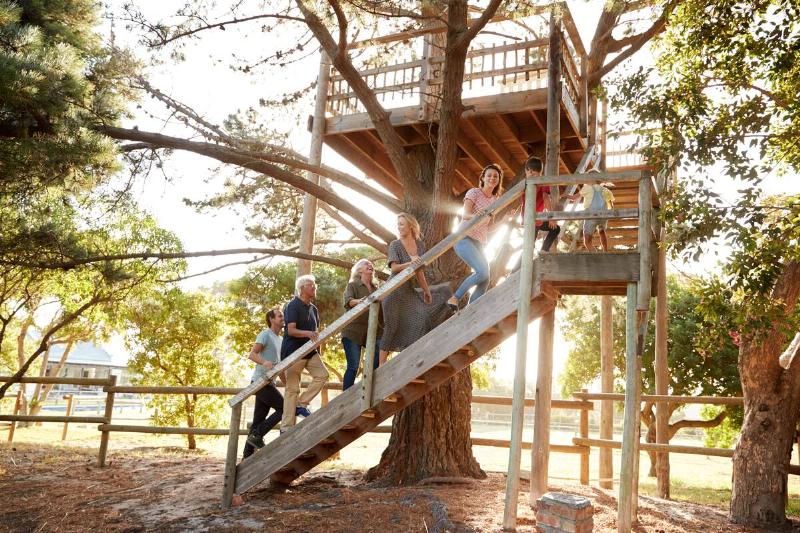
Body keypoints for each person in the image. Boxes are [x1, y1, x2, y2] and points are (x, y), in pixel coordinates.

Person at [379, 213, 451, 365]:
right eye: (398, 224)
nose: (399, 227)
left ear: (411, 226)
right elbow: (394, 268)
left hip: (408, 291)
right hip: (393, 291)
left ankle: (413, 360)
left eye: (402, 224)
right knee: (391, 328)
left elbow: (419, 271)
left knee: (423, 317)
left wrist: (426, 291)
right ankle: (381, 368)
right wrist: (410, 262)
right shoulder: (395, 245)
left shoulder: (420, 245)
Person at [447, 164, 503, 311]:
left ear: (498, 180)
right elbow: (465, 214)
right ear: (483, 178)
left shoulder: (494, 201)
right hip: (464, 238)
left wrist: (505, 221)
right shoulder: (474, 192)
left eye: (495, 176)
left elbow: (488, 228)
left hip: (479, 243)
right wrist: (477, 216)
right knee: (483, 272)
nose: (492, 178)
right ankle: (455, 298)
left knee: (486, 278)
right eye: (489, 175)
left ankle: (471, 310)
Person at [280, 274, 329, 431]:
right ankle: (286, 428)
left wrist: (318, 348)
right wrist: (307, 334)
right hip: (293, 352)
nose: (314, 288)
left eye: (315, 285)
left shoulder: (314, 309)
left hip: (310, 351)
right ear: (301, 288)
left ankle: (301, 404)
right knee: (292, 389)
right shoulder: (292, 306)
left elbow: (316, 332)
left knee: (323, 375)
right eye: (311, 285)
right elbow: (291, 330)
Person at [242, 307, 285, 459]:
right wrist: (264, 362)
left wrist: (285, 382)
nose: (282, 318)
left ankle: (247, 457)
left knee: (258, 420)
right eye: (279, 316)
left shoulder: (280, 340)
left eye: (282, 316)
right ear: (272, 319)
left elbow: (280, 366)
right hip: (260, 381)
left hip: (270, 382)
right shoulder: (265, 334)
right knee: (284, 408)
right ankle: (258, 434)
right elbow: (252, 354)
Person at [341, 259, 382, 390]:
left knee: (379, 351)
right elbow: (348, 302)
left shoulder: (377, 288)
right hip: (353, 331)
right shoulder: (352, 285)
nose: (370, 265)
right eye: (366, 264)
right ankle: (345, 399)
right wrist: (360, 301)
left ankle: (364, 388)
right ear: (359, 270)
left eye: (371, 264)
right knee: (353, 367)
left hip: (373, 331)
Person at [571, 169, 615, 251]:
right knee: (602, 231)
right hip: (603, 215)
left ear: (590, 179)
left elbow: (573, 198)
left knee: (587, 241)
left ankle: (595, 254)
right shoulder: (606, 190)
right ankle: (605, 251)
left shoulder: (587, 188)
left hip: (591, 215)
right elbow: (611, 207)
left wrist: (565, 196)